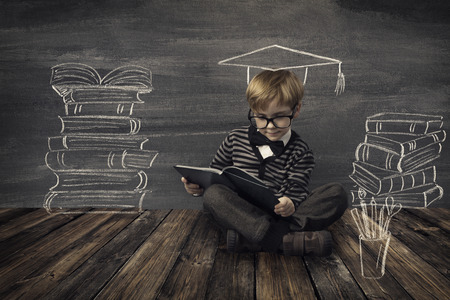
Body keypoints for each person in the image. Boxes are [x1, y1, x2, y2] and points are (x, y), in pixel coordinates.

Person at [181, 70, 348, 256]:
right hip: (241, 214)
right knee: (213, 196)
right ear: (252, 111)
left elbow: (297, 188)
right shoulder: (235, 138)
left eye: (279, 117)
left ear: (296, 110)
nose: (270, 126)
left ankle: (255, 241)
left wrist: (289, 202)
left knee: (336, 194)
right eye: (261, 118)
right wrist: (197, 187)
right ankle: (284, 240)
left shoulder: (301, 150)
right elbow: (214, 174)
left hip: (280, 215)